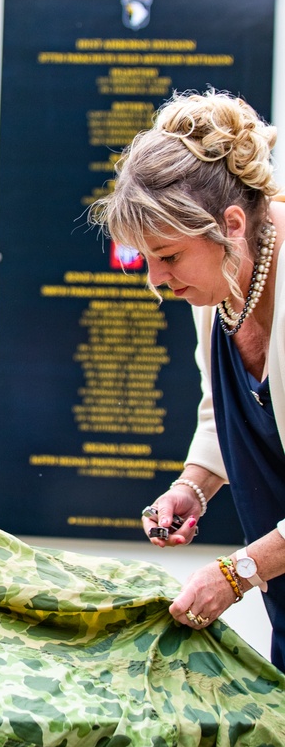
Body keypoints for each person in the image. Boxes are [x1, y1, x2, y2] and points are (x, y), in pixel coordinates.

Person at [91, 91, 285, 668]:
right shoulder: (224, 277)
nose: (155, 280)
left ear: (230, 225)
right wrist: (192, 488)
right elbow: (222, 411)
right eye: (146, 258)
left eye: (169, 257)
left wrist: (238, 573)